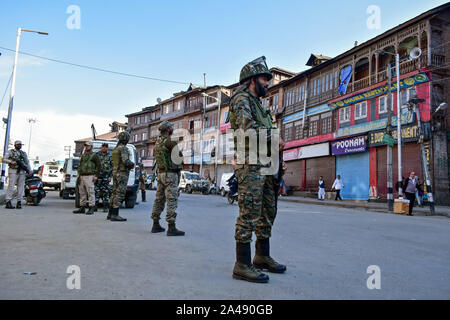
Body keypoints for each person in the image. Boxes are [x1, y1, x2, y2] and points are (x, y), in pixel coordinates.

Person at [228, 56, 286, 284]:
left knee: (267, 213)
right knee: (249, 213)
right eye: (265, 78)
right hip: (251, 163)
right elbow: (248, 129)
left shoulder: (259, 105)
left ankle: (261, 256)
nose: (268, 83)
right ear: (252, 79)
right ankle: (241, 264)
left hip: (267, 164)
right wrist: (275, 138)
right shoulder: (241, 100)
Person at [150, 120, 184, 236]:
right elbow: (179, 159)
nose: (172, 129)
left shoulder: (158, 142)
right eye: (171, 127)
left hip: (161, 174)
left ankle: (155, 224)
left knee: (159, 199)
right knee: (171, 200)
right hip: (171, 174)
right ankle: (171, 227)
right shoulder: (170, 142)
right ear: (168, 129)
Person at [108, 131, 135, 222]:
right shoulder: (123, 148)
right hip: (122, 173)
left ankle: (110, 213)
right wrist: (132, 164)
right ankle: (115, 214)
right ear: (126, 139)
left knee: (114, 192)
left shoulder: (115, 149)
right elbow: (126, 161)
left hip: (115, 172)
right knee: (120, 193)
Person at [73, 141, 101, 215]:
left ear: (91, 147)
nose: (86, 147)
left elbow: (99, 166)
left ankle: (91, 207)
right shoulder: (83, 155)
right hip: (82, 176)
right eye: (85, 146)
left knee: (90, 192)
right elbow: (80, 165)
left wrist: (96, 176)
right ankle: (82, 207)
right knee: (82, 192)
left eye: (88, 146)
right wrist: (78, 176)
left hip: (90, 176)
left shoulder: (94, 155)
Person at [3, 140, 32, 209]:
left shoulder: (23, 153)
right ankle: (8, 201)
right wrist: (11, 162)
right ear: (15, 145)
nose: (19, 145)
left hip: (22, 171)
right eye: (18, 144)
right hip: (13, 170)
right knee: (11, 186)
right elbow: (4, 159)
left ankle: (19, 201)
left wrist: (30, 170)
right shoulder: (11, 152)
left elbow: (27, 162)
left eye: (20, 144)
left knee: (21, 187)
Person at [95, 143, 113, 212]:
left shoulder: (110, 156)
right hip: (98, 175)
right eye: (103, 147)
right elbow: (94, 165)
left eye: (105, 147)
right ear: (101, 148)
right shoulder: (97, 155)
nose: (104, 148)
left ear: (107, 148)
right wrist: (95, 175)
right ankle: (95, 206)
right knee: (96, 191)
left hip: (106, 175)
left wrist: (110, 176)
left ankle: (105, 207)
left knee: (106, 192)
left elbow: (112, 167)